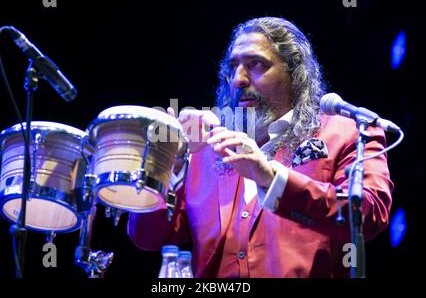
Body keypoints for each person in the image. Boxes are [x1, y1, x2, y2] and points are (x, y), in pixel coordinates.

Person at [127, 17, 393, 278]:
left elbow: (369, 215)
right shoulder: (205, 149)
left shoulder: (348, 132)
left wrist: (270, 176)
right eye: (233, 67)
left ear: (294, 74)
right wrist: (163, 166)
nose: (238, 79)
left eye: (255, 64)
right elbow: (148, 237)